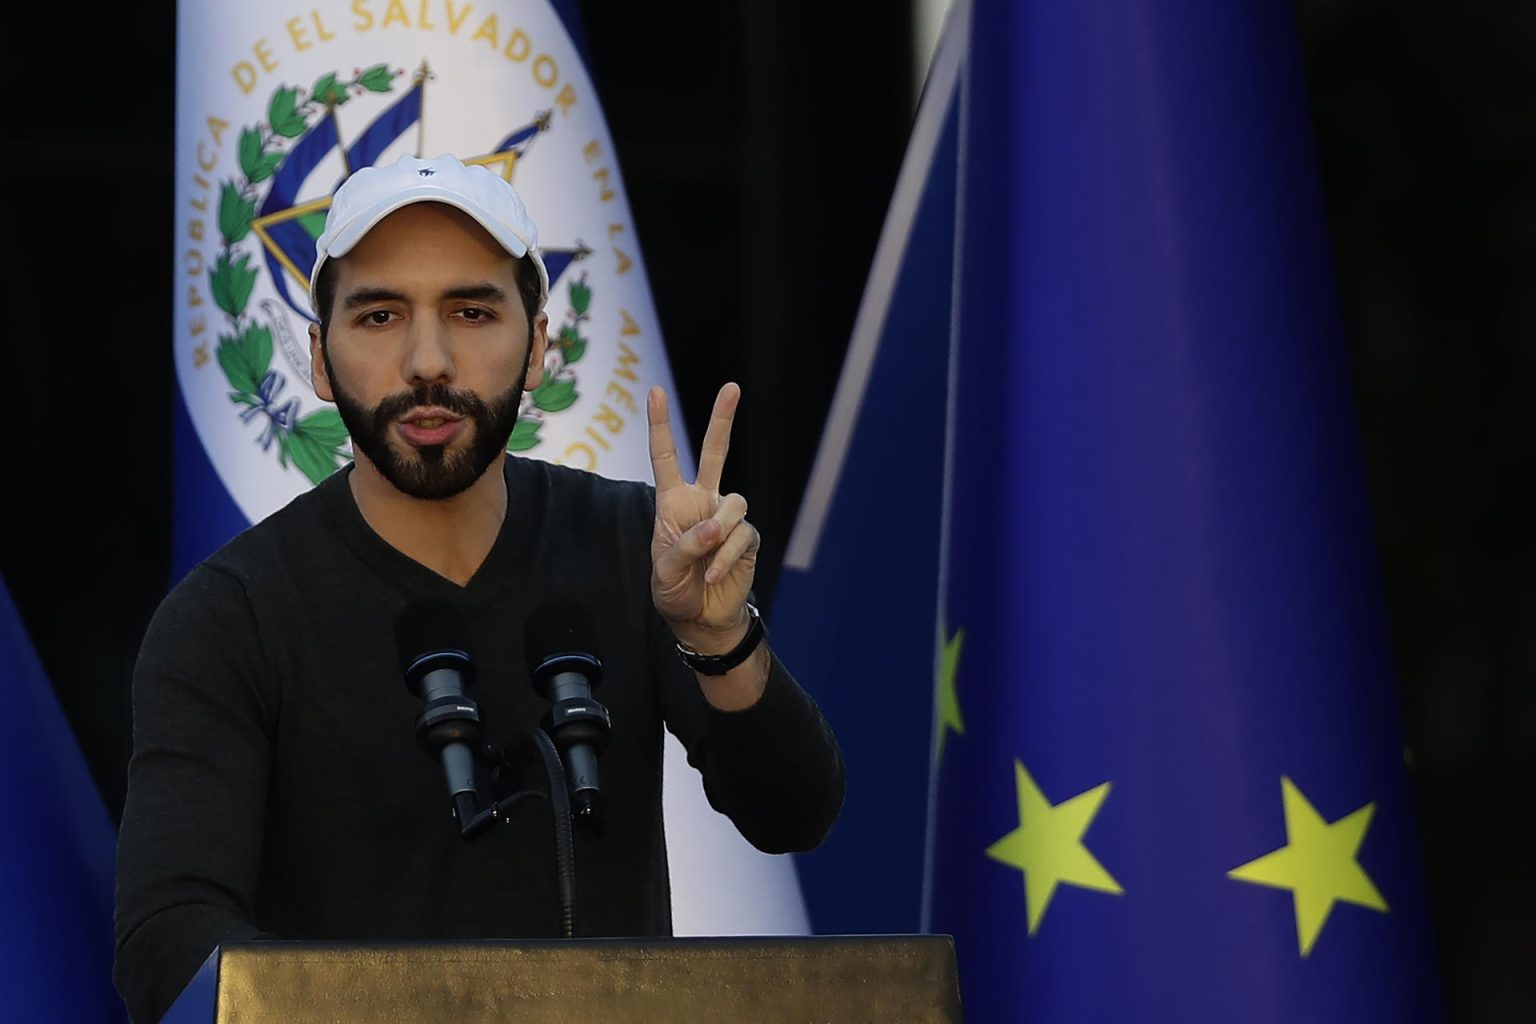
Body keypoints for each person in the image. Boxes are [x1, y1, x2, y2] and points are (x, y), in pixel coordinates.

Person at [112, 153, 846, 1024]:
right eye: (380, 314)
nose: (428, 361)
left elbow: (794, 813)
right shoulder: (229, 617)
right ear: (318, 355)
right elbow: (167, 942)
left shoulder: (631, 549)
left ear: (538, 345)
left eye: (471, 311)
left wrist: (721, 639)